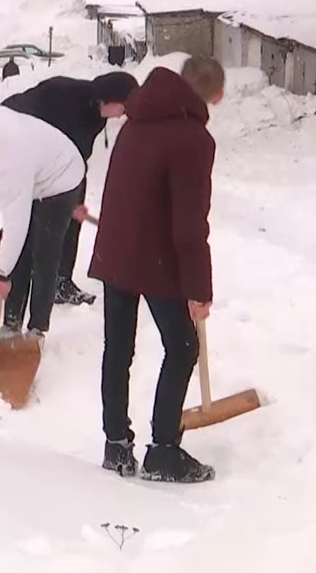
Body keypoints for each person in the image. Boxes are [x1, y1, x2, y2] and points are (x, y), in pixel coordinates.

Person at [88, 56, 225, 484]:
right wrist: (199, 289)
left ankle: (116, 445)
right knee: (183, 347)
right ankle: (164, 451)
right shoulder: (193, 139)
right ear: (215, 96)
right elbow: (189, 225)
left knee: (118, 347)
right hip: (155, 256)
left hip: (117, 250)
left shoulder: (136, 120)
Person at [0, 72, 139, 323]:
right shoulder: (67, 100)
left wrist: (75, 200)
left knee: (59, 222)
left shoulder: (95, 115)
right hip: (21, 148)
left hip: (53, 161)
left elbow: (76, 156)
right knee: (23, 227)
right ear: (108, 100)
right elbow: (45, 143)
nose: (122, 115)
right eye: (124, 107)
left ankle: (61, 281)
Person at [0, 107, 85, 339]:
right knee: (18, 253)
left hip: (61, 178)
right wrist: (6, 269)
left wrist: (2, 274)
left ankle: (36, 331)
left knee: (44, 255)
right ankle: (11, 325)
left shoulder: (9, 164)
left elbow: (15, 224)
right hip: (35, 169)